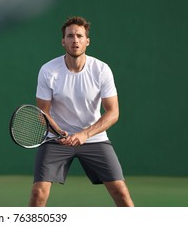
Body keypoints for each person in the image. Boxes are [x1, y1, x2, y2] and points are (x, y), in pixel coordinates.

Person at [29, 16, 134, 207]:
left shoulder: (101, 70)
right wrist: (59, 132)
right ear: (63, 41)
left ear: (87, 41)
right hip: (56, 139)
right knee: (38, 194)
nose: (75, 40)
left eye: (79, 36)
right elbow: (42, 113)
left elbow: (113, 112)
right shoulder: (48, 70)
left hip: (93, 138)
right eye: (70, 36)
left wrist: (84, 134)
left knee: (121, 192)